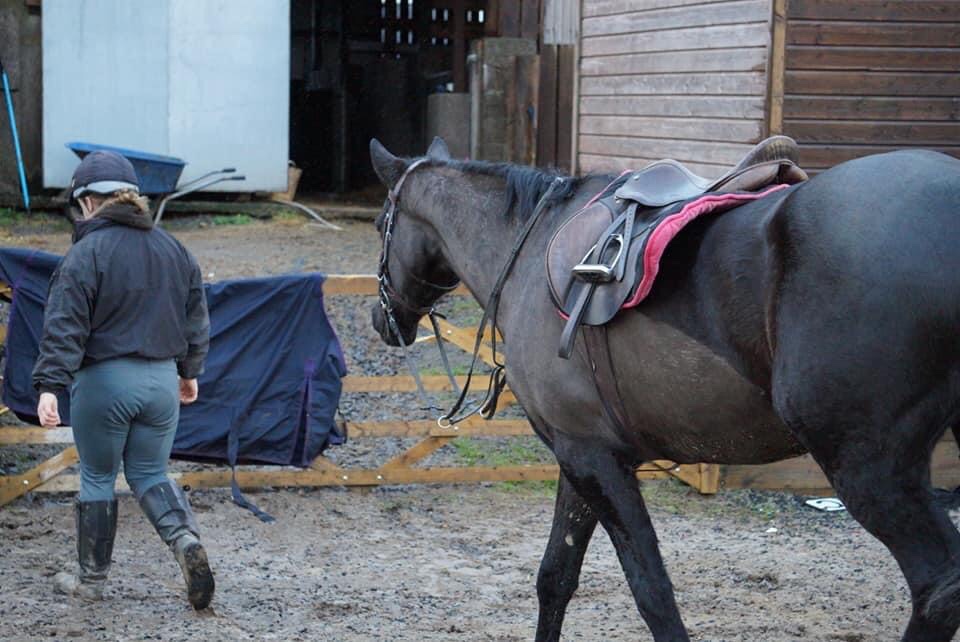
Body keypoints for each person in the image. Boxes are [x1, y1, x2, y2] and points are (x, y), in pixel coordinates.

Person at [32, 150, 215, 609]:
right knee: (150, 471)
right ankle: (186, 543)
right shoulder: (174, 249)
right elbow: (196, 317)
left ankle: (90, 582)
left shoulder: (85, 254)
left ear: (90, 202)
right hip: (161, 384)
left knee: (98, 475)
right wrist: (190, 372)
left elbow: (65, 325)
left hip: (105, 383)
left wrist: (50, 385)